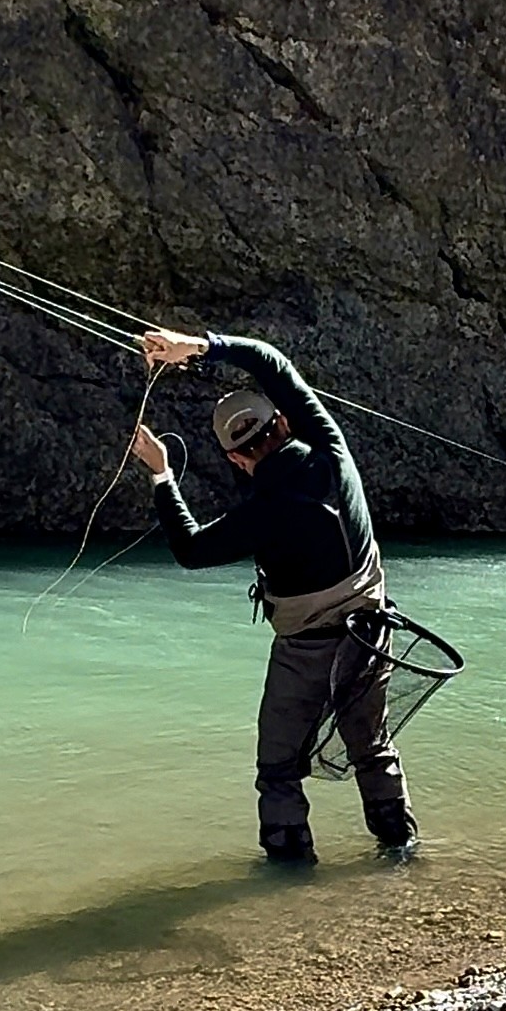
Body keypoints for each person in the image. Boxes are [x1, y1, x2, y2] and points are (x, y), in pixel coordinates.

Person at [129, 326, 417, 865]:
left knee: (279, 768)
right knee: (372, 747)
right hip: (372, 635)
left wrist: (162, 475)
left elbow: (190, 549)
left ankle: (289, 876)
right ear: (283, 423)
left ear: (236, 459)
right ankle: (400, 852)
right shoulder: (331, 451)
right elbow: (270, 361)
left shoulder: (258, 516)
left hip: (304, 651)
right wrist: (196, 347)